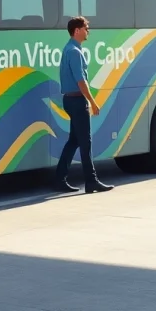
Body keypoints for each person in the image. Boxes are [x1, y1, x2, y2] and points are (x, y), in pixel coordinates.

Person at [55, 16, 114, 194]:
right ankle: (91, 181)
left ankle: (60, 178)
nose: (88, 31)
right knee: (85, 142)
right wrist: (92, 102)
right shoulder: (74, 52)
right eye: (86, 28)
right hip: (77, 100)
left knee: (74, 140)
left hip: (70, 100)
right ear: (77, 31)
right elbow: (81, 81)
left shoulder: (69, 48)